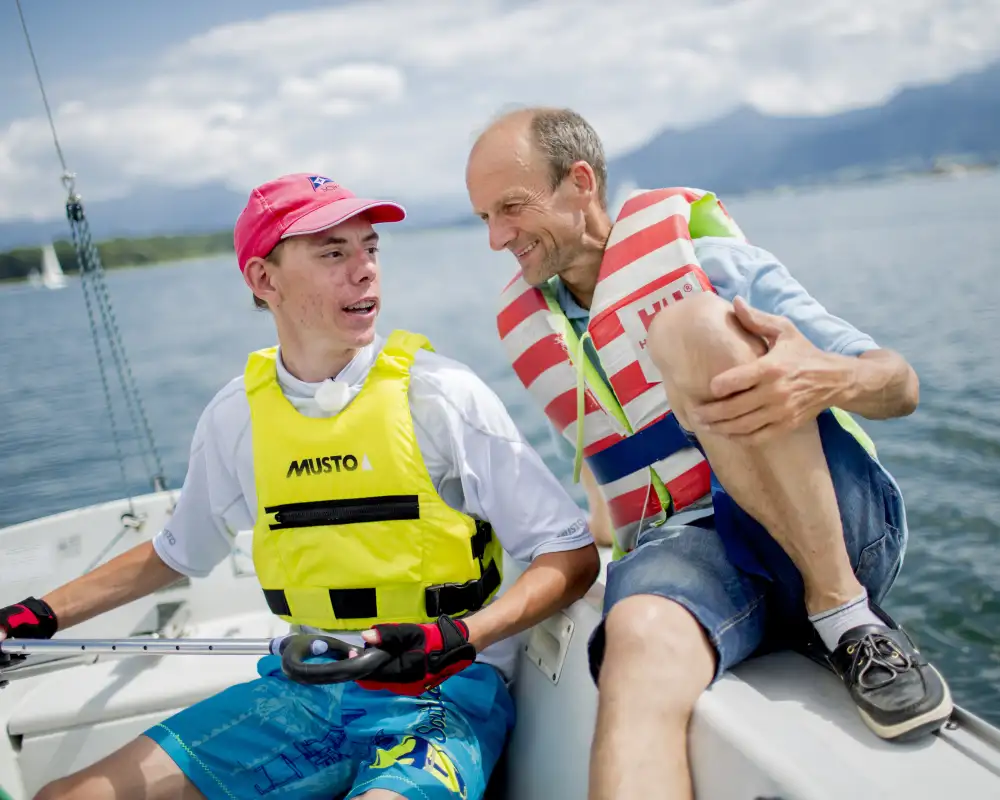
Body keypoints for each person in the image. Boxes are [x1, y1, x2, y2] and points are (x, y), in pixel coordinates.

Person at [0, 172, 600, 800]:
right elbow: (173, 554)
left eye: (370, 248)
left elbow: (571, 554)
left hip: (440, 698)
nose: (365, 270)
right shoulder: (235, 418)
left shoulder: (442, 395)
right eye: (334, 253)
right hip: (302, 690)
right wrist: (39, 614)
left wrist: (458, 638)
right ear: (265, 280)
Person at [465, 107, 953, 799]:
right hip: (698, 551)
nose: (497, 238)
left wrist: (824, 377)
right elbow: (608, 502)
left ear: (580, 183)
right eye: (484, 216)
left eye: (511, 208)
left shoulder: (704, 258)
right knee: (630, 639)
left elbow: (899, 384)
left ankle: (847, 620)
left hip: (835, 533)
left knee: (690, 324)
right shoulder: (536, 331)